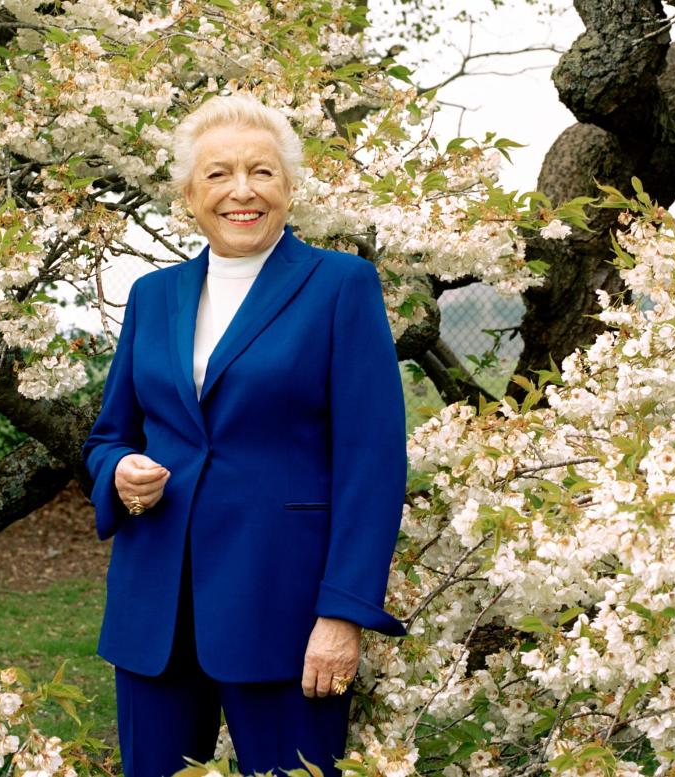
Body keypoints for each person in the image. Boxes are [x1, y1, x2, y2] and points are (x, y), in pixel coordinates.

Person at [81, 93, 408, 777]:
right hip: (155, 615)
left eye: (261, 171)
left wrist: (342, 614)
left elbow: (371, 463)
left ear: (289, 186)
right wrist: (119, 470)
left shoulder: (340, 286)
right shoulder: (152, 295)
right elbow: (110, 434)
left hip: (286, 614)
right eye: (219, 174)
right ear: (189, 195)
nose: (242, 191)